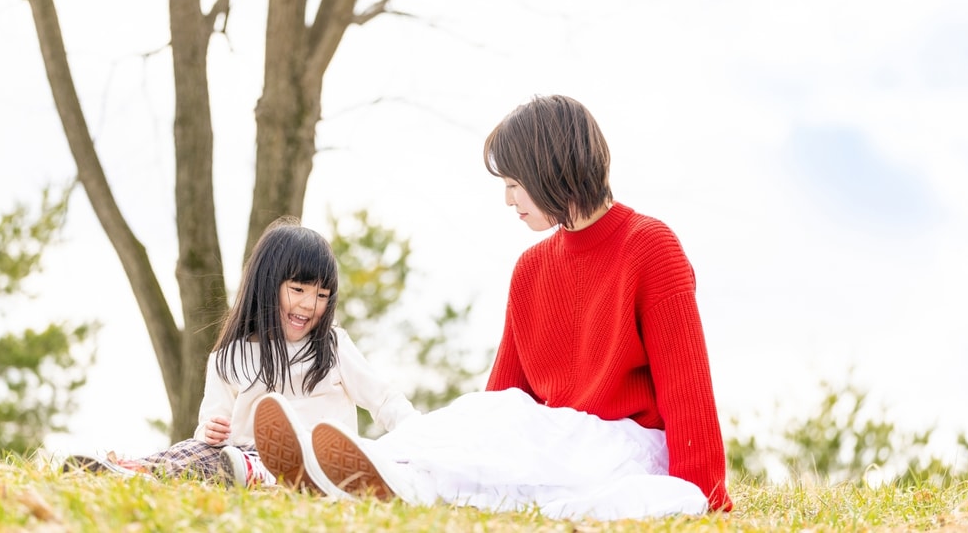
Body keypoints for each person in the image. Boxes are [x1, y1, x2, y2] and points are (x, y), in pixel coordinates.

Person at [255, 94, 733, 519]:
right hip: (558, 442)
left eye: (513, 183)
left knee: (504, 426)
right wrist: (474, 436)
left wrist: (703, 491)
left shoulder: (649, 247)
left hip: (626, 444)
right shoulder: (531, 267)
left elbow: (686, 385)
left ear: (551, 170)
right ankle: (370, 470)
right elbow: (502, 401)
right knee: (483, 419)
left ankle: (377, 469)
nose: (508, 200)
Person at [62, 217, 418, 490]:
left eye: (322, 295)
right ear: (267, 284)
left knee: (248, 462)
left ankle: (259, 473)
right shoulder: (227, 359)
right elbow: (209, 426)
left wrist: (418, 435)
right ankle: (127, 470)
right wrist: (210, 432)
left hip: (323, 462)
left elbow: (384, 400)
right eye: (298, 289)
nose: (310, 305)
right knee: (195, 452)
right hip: (241, 457)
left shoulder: (332, 347)